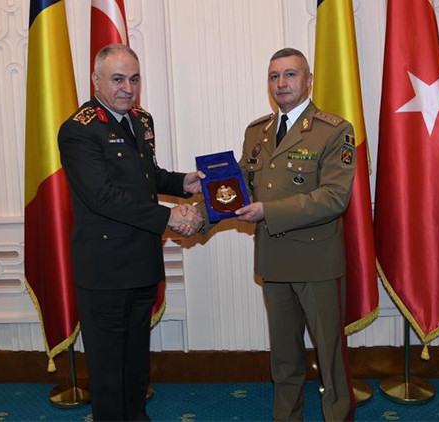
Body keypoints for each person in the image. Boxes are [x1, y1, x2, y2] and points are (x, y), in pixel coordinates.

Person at [58, 44, 203, 421]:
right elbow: (102, 197)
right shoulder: (78, 130)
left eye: (134, 79)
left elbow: (145, 176)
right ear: (96, 81)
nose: (128, 88)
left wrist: (182, 183)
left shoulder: (141, 120)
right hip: (105, 270)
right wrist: (169, 217)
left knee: (136, 363)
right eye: (118, 79)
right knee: (108, 370)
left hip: (142, 261)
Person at [230, 48, 357, 420]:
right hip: (274, 260)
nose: (281, 83)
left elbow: (334, 198)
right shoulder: (257, 132)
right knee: (284, 358)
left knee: (330, 358)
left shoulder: (334, 131)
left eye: (290, 75)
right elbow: (237, 189)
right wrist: (198, 210)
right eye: (274, 76)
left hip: (316, 262)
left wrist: (268, 212)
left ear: (308, 80)